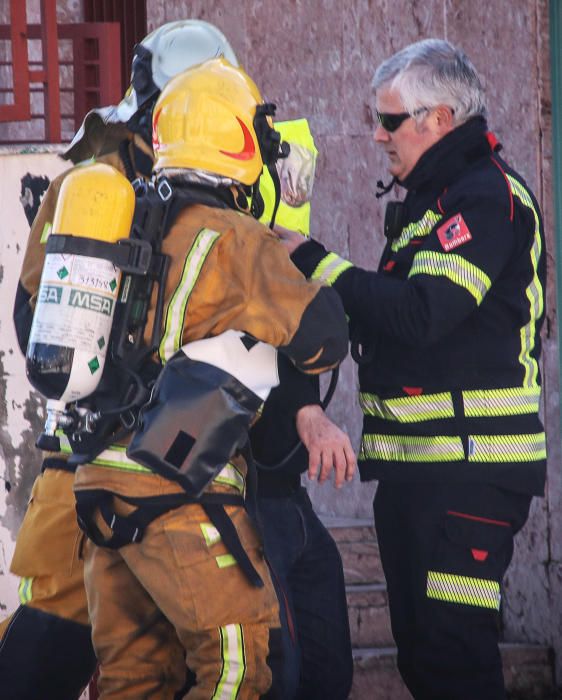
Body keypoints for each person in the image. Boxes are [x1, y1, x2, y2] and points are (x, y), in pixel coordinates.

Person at [69, 57, 347, 699]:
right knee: (237, 667)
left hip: (98, 487)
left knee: (134, 678)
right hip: (179, 490)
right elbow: (322, 341)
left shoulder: (123, 219)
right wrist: (296, 254)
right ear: (243, 142)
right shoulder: (235, 238)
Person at [281, 38, 546, 700]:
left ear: (440, 119)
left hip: (470, 476)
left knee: (454, 661)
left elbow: (424, 313)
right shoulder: (436, 199)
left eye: (390, 120)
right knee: (427, 660)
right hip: (420, 473)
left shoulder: (486, 199)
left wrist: (316, 262)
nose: (377, 135)